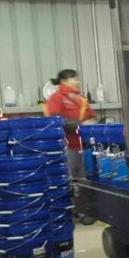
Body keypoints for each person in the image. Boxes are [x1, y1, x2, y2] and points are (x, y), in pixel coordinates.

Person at [44, 69, 97, 225]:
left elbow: (91, 118)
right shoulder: (56, 98)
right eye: (74, 78)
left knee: (82, 179)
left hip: (82, 146)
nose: (77, 81)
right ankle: (62, 213)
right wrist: (77, 125)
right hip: (64, 146)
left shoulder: (81, 99)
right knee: (64, 180)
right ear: (63, 81)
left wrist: (91, 124)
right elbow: (55, 119)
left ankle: (83, 211)